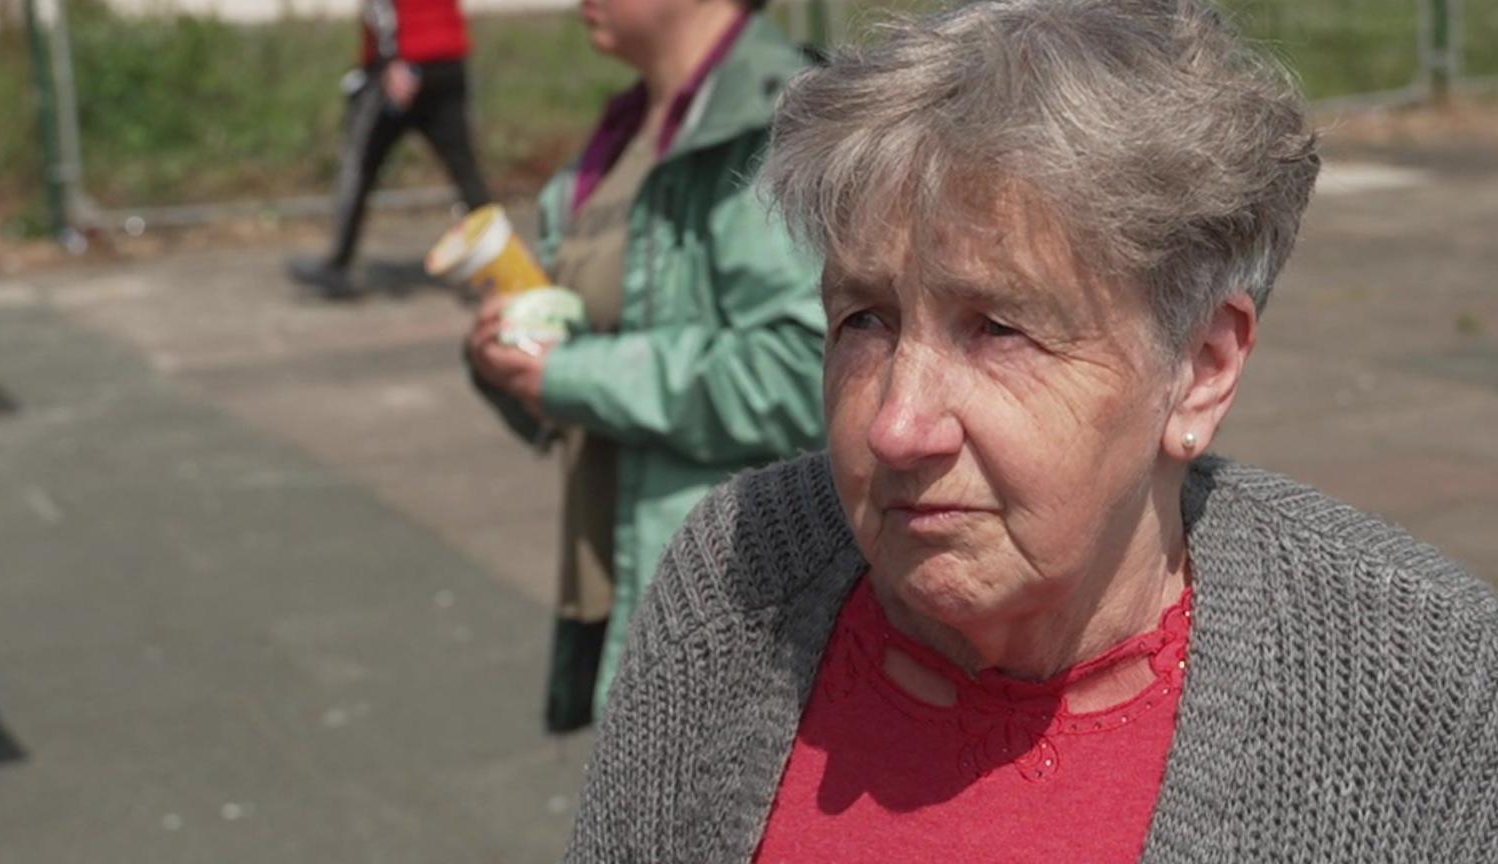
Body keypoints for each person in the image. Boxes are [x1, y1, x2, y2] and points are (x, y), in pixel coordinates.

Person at [562, 1, 1498, 860]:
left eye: (999, 328)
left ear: (1202, 368)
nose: (897, 424)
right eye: (865, 320)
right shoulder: (735, 574)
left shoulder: (1427, 681)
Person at [465, 0, 824, 732]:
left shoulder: (770, 124)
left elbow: (807, 370)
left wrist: (572, 375)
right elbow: (600, 353)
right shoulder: (621, 134)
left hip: (734, 612)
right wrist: (515, 362)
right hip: (634, 592)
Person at [289, 0, 492, 299]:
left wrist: (392, 57)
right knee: (466, 170)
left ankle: (338, 265)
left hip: (402, 63)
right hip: (447, 56)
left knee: (360, 165)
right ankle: (496, 267)